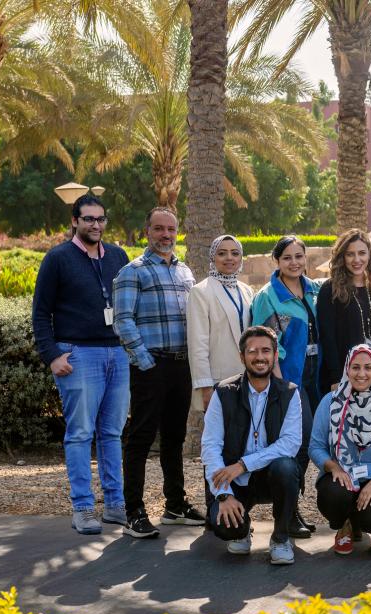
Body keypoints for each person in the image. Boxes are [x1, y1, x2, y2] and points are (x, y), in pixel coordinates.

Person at [32, 193, 131, 534]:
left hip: (117, 354)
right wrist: (52, 355)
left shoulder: (118, 256)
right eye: (88, 219)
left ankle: (116, 505)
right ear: (75, 221)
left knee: (112, 433)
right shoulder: (58, 258)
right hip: (77, 354)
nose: (95, 225)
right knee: (79, 434)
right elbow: (41, 313)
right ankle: (84, 508)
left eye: (100, 219)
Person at [113, 207, 203, 538]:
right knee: (139, 439)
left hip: (181, 367)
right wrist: (145, 361)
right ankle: (133, 512)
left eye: (171, 229)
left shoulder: (186, 274)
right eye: (159, 229)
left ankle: (175, 505)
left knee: (174, 438)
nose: (165, 235)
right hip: (150, 366)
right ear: (147, 231)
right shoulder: (132, 272)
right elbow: (122, 320)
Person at [200, 326, 302, 565]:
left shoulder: (289, 393)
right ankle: (242, 528)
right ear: (242, 356)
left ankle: (280, 538)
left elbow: (290, 443)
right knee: (227, 529)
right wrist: (223, 494)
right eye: (252, 351)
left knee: (286, 467)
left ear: (275, 356)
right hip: (233, 482)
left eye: (266, 351)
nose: (259, 357)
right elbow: (210, 446)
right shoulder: (223, 393)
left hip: (269, 477)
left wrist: (243, 464)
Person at [251, 235, 320, 537]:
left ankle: (291, 509)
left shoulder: (315, 290)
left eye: (299, 256)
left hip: (316, 377)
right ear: (276, 261)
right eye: (288, 257)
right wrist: (279, 385)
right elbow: (267, 344)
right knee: (299, 444)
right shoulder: (269, 296)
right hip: (289, 380)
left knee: (313, 443)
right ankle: (287, 512)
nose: (294, 262)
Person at [310, 344, 371, 555]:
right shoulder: (330, 402)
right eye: (355, 367)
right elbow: (316, 447)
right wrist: (333, 467)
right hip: (342, 475)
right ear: (347, 369)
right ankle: (345, 524)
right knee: (333, 496)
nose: (362, 374)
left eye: (368, 367)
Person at [188, 235, 253, 412]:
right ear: (212, 257)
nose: (229, 258)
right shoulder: (200, 292)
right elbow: (197, 344)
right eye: (222, 253)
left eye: (235, 253)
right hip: (217, 382)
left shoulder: (246, 290)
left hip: (247, 379)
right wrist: (205, 387)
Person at [317, 229, 371, 396]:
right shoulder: (330, 289)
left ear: (370, 255)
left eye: (362, 253)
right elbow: (327, 337)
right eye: (350, 254)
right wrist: (335, 377)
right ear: (342, 257)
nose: (357, 259)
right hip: (342, 377)